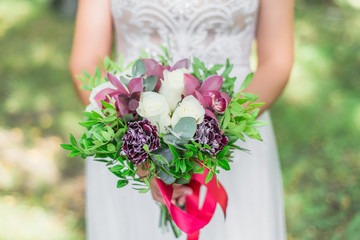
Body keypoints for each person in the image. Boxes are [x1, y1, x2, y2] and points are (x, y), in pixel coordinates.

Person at [69, 0, 294, 239]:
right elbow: (85, 62)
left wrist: (214, 137)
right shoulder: (133, 143)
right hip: (131, 128)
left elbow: (277, 62)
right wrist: (137, 148)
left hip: (237, 123)